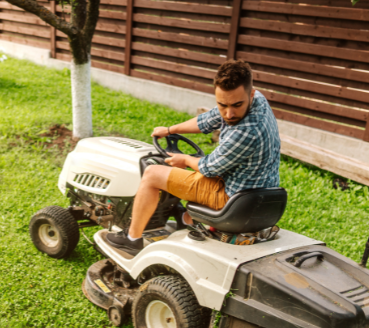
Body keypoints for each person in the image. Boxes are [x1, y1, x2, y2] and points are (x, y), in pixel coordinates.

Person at [106, 59, 281, 255]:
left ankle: (131, 239)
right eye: (222, 104)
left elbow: (209, 168)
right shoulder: (256, 99)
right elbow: (210, 119)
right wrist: (170, 130)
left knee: (152, 174)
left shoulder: (247, 132)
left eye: (236, 105)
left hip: (234, 198)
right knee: (185, 172)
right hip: (259, 189)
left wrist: (185, 160)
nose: (229, 113)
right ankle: (185, 219)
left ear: (251, 93)